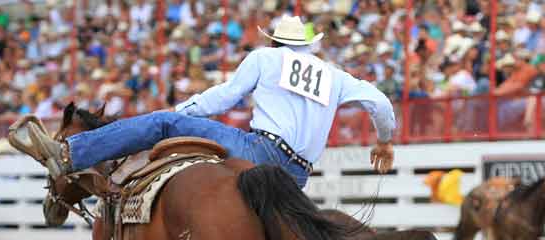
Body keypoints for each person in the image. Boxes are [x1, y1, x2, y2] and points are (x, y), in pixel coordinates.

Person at [24, 15, 396, 189]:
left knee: (163, 125)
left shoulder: (265, 59)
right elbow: (380, 102)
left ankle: (70, 154)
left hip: (260, 152)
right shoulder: (333, 75)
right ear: (307, 46)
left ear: (275, 43)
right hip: (298, 174)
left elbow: (226, 97)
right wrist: (384, 141)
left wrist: (179, 113)